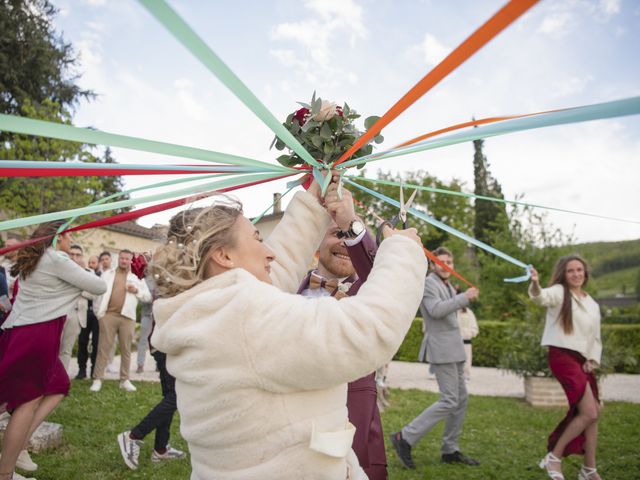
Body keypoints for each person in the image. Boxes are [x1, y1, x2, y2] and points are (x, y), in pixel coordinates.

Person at [144, 178, 427, 479]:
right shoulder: (244, 319)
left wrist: (311, 206)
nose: (270, 252)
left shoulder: (206, 310)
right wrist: (403, 251)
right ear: (223, 256)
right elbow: (365, 331)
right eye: (256, 239)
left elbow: (273, 275)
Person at [0, 222, 106, 480]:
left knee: (58, 384)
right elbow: (99, 287)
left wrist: (72, 284)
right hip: (39, 335)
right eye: (69, 235)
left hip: (20, 331)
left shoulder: (33, 256)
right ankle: (5, 472)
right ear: (59, 237)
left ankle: (20, 446)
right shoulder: (57, 259)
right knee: (24, 401)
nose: (71, 241)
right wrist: (76, 277)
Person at [296, 186, 388, 480]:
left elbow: (384, 271)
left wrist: (350, 223)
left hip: (354, 421)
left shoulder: (371, 289)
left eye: (350, 238)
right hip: (296, 423)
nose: (346, 244)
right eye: (337, 234)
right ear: (316, 243)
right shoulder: (289, 288)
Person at [391, 246, 480, 469]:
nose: (445, 266)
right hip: (442, 350)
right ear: (433, 265)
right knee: (450, 399)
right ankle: (405, 437)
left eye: (449, 262)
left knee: (460, 401)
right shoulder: (429, 283)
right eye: (441, 262)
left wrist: (460, 296)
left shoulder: (446, 284)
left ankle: (450, 450)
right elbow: (436, 310)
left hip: (455, 349)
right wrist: (464, 298)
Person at [529, 255, 603, 480]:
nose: (576, 274)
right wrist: (535, 283)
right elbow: (541, 297)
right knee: (589, 411)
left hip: (583, 360)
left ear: (585, 272)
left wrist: (592, 359)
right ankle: (554, 457)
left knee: (593, 413)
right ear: (564, 273)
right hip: (562, 356)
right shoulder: (559, 292)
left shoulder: (592, 303)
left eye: (579, 269)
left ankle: (589, 469)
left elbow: (595, 337)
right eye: (571, 270)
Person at [90, 250, 151, 393]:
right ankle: (97, 379)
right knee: (103, 349)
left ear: (131, 260)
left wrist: (137, 291)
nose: (124, 261)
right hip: (109, 315)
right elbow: (97, 294)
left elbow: (147, 297)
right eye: (122, 258)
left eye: (127, 259)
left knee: (126, 350)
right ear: (118, 259)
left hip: (128, 317)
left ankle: (124, 380)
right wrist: (100, 315)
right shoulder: (107, 274)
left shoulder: (137, 277)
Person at [58, 245, 91, 374]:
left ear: (82, 257)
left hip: (76, 314)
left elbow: (93, 294)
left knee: (66, 350)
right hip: (58, 313)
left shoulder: (87, 273)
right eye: (72, 254)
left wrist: (75, 288)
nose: (74, 257)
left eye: (78, 255)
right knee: (52, 348)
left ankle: (61, 380)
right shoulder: (59, 269)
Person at [76, 256, 101, 380]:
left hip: (96, 314)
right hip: (82, 313)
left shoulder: (91, 275)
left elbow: (95, 293)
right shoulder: (73, 276)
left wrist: (80, 291)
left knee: (96, 343)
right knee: (82, 342)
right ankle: (81, 370)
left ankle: (93, 370)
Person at [455, 285, 479, 381]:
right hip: (453, 341)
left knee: (466, 360)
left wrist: (468, 334)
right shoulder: (451, 312)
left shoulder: (469, 313)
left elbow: (474, 328)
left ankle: (466, 376)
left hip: (466, 341)